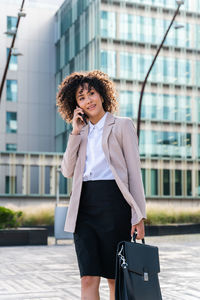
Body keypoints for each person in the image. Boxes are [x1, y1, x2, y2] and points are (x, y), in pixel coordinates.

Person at [56, 70, 147, 300]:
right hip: (84, 208)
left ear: (102, 95)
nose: (89, 100)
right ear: (75, 104)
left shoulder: (122, 125)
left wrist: (139, 215)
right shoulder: (80, 131)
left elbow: (135, 174)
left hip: (115, 206)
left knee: (114, 277)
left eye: (92, 93)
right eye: (82, 97)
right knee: (88, 277)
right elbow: (66, 170)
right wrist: (75, 133)